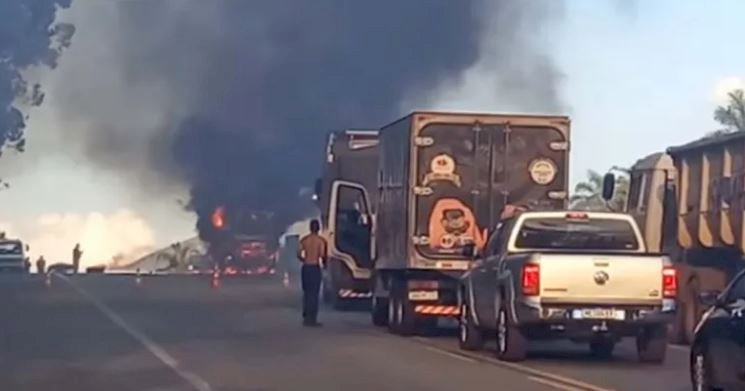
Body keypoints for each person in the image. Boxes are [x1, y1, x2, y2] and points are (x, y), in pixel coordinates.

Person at [297, 219, 327, 327]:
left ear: (310, 228)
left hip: (306, 267)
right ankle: (312, 318)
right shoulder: (321, 241)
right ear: (318, 228)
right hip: (315, 267)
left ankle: (306, 317)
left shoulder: (304, 240)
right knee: (314, 294)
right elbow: (323, 255)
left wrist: (304, 260)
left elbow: (299, 253)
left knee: (306, 292)